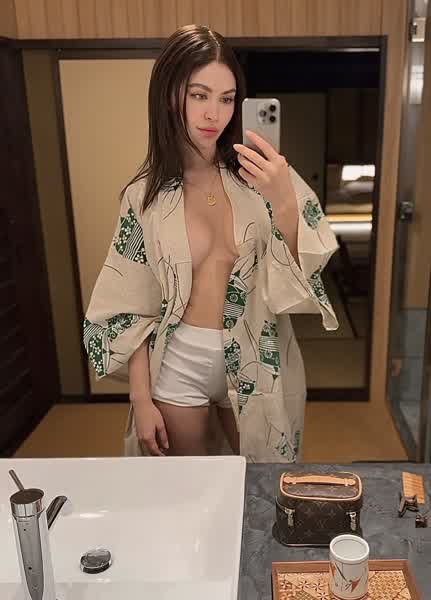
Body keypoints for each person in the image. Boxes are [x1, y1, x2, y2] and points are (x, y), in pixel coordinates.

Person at [83, 24, 339, 462]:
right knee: (191, 484)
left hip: (256, 353)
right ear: (170, 96)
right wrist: (141, 399)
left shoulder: (266, 178)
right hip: (179, 359)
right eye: (199, 95)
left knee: (261, 480)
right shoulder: (144, 197)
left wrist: (284, 202)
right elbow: (129, 307)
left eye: (226, 98)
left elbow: (306, 272)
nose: (213, 114)